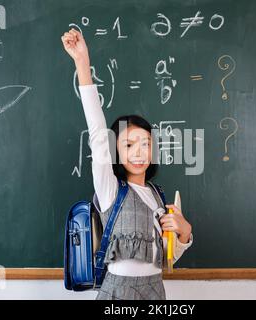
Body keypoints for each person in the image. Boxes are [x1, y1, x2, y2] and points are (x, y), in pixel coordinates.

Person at [61, 29, 193, 300]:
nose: (139, 152)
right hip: (118, 293)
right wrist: (82, 64)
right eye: (129, 145)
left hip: (156, 291)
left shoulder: (159, 195)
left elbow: (167, 259)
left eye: (145, 143)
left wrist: (184, 230)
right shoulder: (111, 190)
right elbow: (98, 134)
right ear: (115, 152)